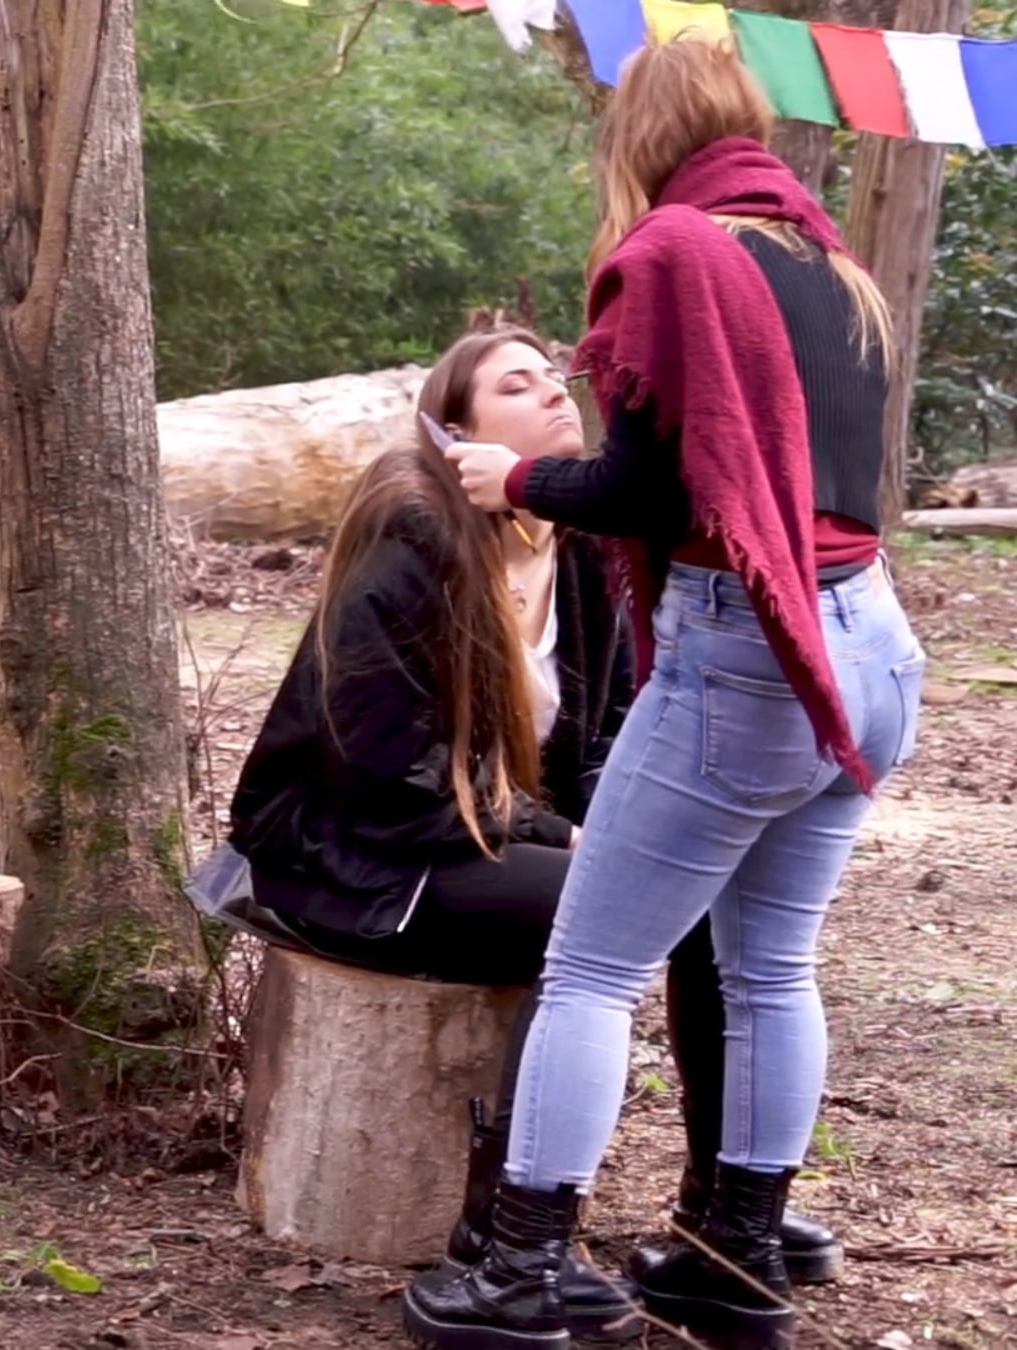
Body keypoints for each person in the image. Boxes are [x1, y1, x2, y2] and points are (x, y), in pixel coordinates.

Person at [402, 39, 925, 1350]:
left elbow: (649, 491)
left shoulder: (675, 255)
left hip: (748, 648)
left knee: (589, 968)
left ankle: (522, 1271)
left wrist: (513, 483)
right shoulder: (835, 267)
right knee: (771, 966)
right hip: (867, 641)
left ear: (640, 136)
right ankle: (733, 1252)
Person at [222, 326, 834, 1338]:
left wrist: (623, 825)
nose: (555, 393)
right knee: (590, 920)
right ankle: (503, 1245)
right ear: (455, 430)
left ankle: (726, 1220)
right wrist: (575, 841)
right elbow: (388, 770)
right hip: (361, 854)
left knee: (706, 906)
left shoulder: (581, 542)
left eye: (556, 377)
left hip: (485, 839)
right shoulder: (414, 525)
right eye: (517, 384)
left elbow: (608, 738)